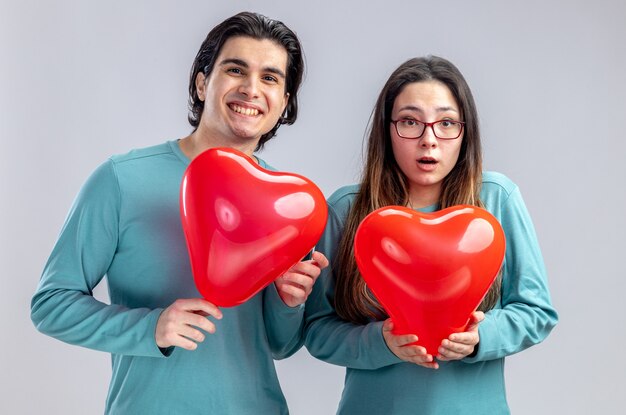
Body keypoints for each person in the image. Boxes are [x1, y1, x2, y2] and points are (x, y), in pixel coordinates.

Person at [31, 11, 328, 415]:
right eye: (235, 69)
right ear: (202, 82)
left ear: (284, 104)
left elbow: (280, 344)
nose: (251, 89)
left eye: (270, 78)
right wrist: (151, 328)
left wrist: (287, 301)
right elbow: (51, 304)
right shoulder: (121, 179)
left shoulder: (293, 207)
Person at [303, 56, 558, 414]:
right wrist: (382, 343)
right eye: (410, 121)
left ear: (465, 131)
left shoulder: (496, 199)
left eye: (447, 123)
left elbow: (537, 311)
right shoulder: (347, 210)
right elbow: (316, 329)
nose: (429, 140)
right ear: (387, 129)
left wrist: (479, 338)